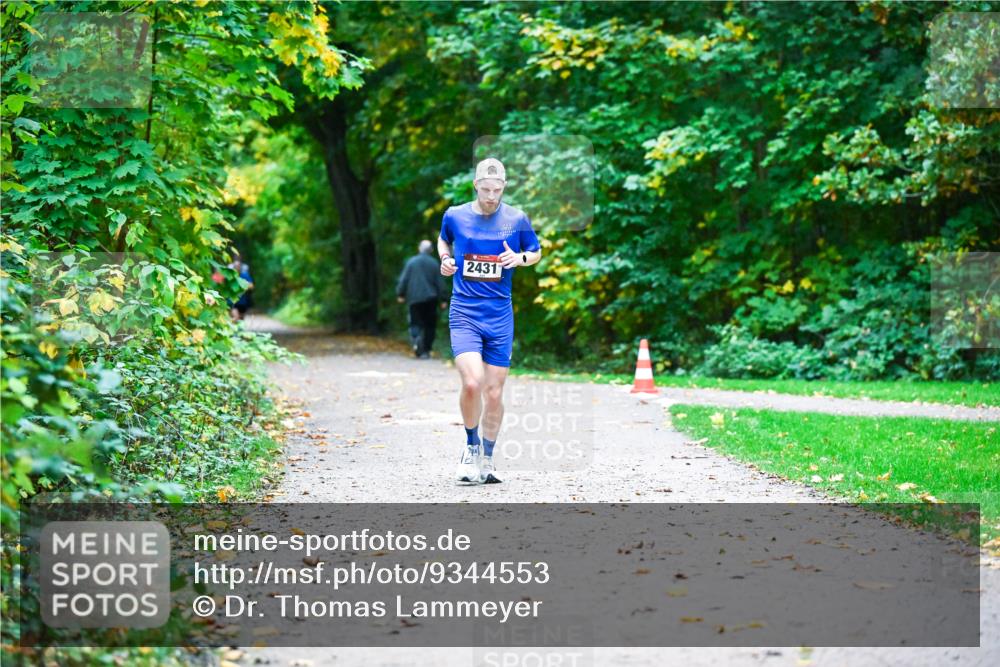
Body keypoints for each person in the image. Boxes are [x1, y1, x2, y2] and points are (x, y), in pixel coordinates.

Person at [438, 158, 542, 485]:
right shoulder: (455, 215)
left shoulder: (516, 218)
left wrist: (520, 258)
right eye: (486, 190)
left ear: (504, 187)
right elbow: (443, 240)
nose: (492, 196)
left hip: (499, 314)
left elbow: (535, 251)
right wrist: (445, 259)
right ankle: (470, 447)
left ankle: (487, 456)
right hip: (464, 311)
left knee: (494, 392)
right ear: (475, 186)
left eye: (497, 190)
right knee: (473, 383)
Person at [397, 239, 448, 359]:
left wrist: (400, 294)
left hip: (414, 298)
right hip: (431, 299)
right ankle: (426, 349)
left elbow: (404, 279)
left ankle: (417, 341)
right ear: (431, 250)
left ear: (419, 248)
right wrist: (444, 299)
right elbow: (440, 283)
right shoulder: (434, 263)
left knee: (415, 322)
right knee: (430, 325)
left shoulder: (411, 262)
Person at [229, 257, 254, 321]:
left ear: (241, 267)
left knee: (241, 319)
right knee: (236, 317)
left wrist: (242, 286)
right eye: (235, 266)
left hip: (242, 302)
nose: (237, 268)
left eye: (238, 266)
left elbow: (251, 286)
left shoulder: (245, 275)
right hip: (233, 302)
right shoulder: (230, 275)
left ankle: (237, 326)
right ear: (233, 267)